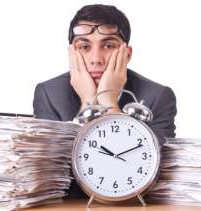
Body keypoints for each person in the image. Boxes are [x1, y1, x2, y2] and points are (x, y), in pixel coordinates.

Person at [33, 4, 177, 198]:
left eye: (108, 45)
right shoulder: (48, 94)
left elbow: (151, 179)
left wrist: (107, 101)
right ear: (71, 54)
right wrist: (88, 103)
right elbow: (52, 178)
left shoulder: (159, 97)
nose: (96, 59)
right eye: (84, 47)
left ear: (127, 54)